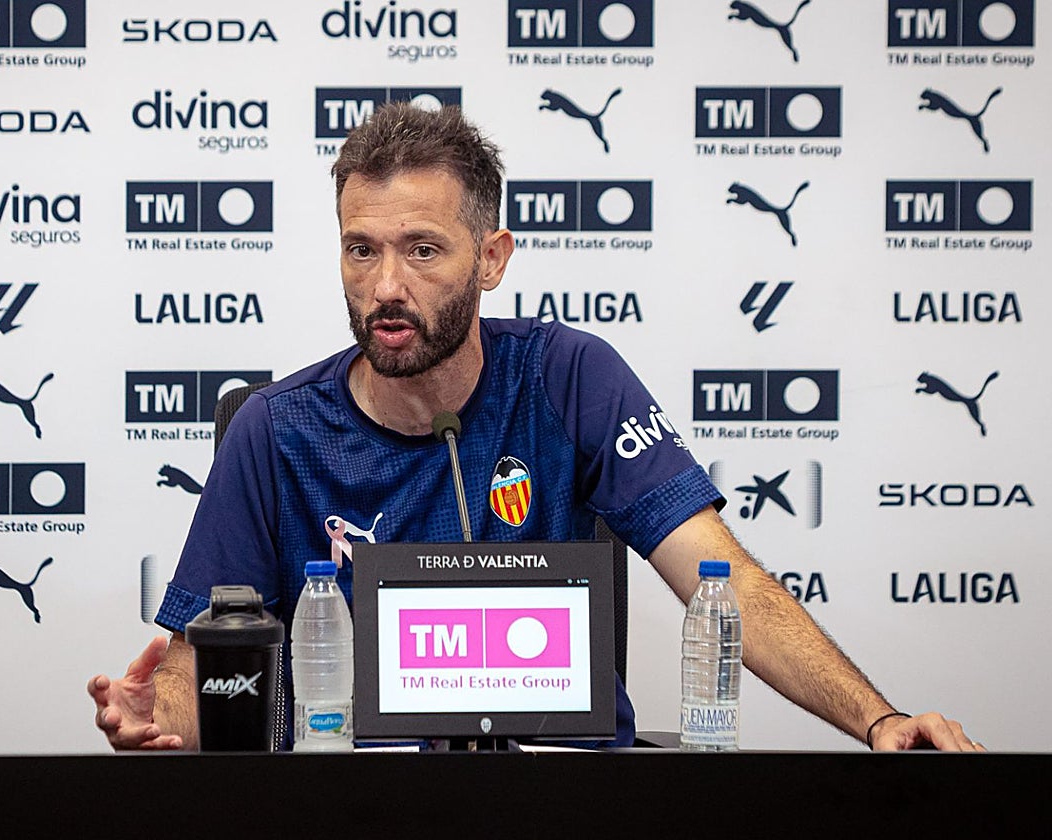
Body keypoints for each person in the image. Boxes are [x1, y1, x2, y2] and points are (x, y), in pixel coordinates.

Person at [89, 102, 983, 753]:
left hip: (570, 804)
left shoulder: (569, 377)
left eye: (423, 250)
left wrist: (879, 718)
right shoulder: (276, 431)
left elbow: (722, 577)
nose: (385, 286)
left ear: (492, 259)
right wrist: (154, 713)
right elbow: (199, 671)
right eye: (361, 249)